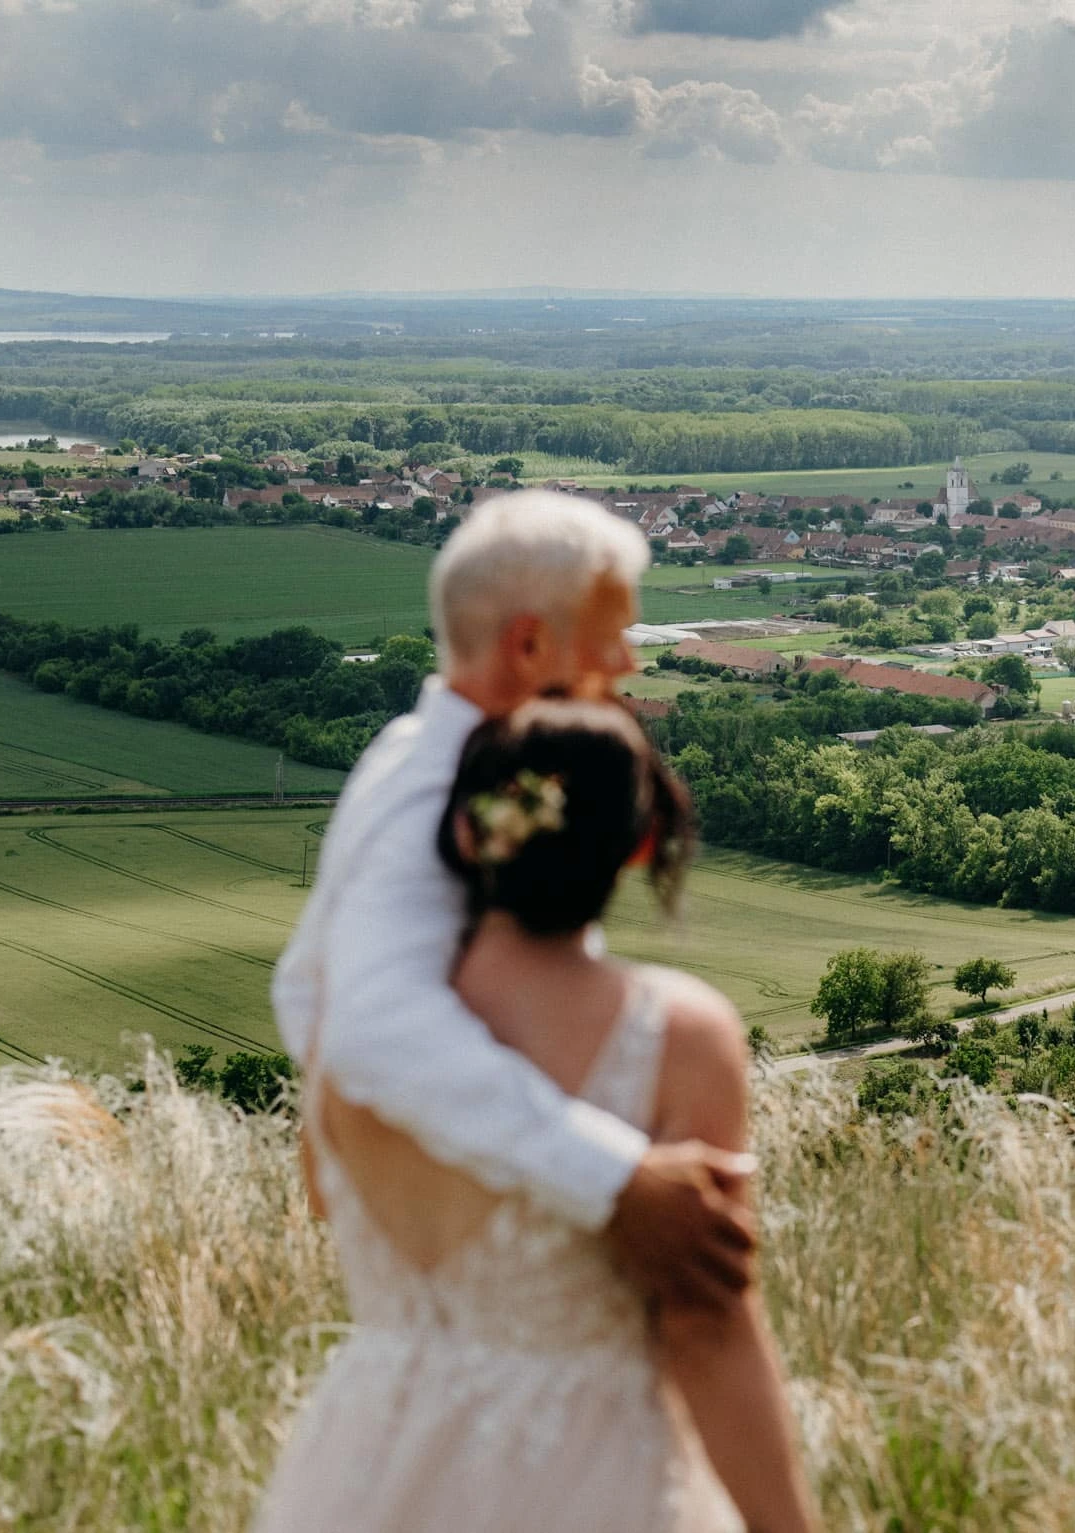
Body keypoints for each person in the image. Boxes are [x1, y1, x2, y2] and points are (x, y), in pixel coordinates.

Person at [253, 700, 817, 1532]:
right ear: (639, 843)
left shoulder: (358, 1029)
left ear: (469, 835)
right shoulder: (678, 1035)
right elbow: (706, 1324)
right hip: (588, 1479)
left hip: (359, 1471)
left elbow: (322, 1195)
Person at [270, 489, 755, 1310]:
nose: (630, 664)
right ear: (530, 645)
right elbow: (372, 1025)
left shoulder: (403, 752)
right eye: (613, 638)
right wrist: (612, 1176)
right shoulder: (438, 803)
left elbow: (302, 983)